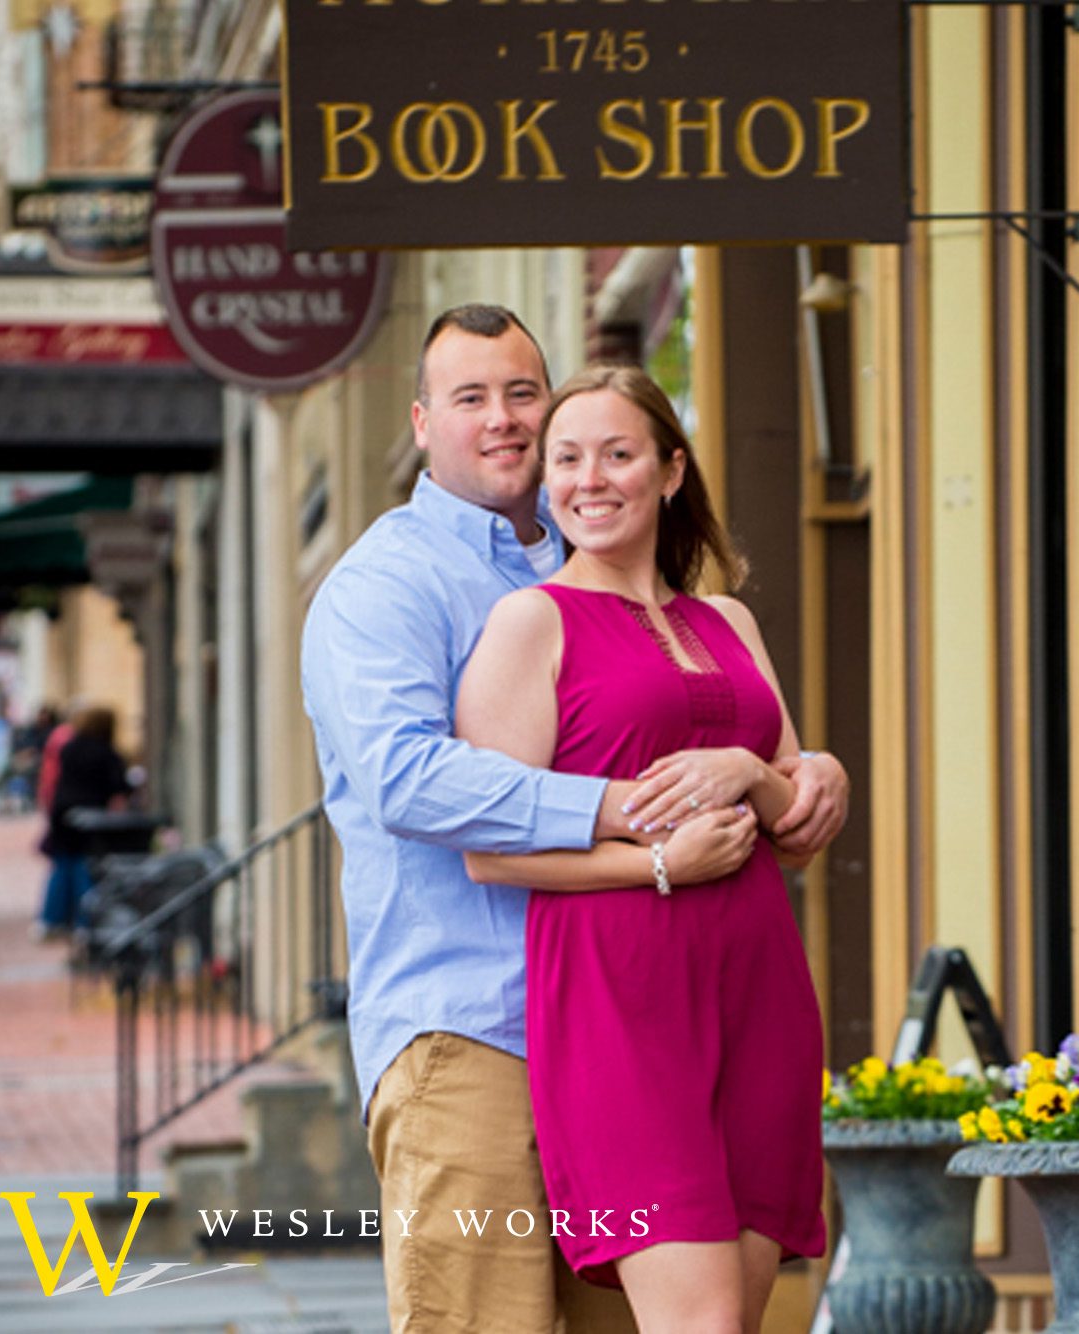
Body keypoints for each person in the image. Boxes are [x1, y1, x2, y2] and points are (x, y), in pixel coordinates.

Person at [299, 305, 847, 1334]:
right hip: (475, 1034)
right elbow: (406, 779)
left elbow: (739, 740)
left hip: (642, 1023)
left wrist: (802, 772)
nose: (502, 419)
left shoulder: (616, 566)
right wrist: (640, 817)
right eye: (471, 397)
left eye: (522, 393)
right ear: (422, 421)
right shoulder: (383, 585)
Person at [455, 363, 827, 1331]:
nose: (590, 479)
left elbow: (792, 827)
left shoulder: (728, 620)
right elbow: (488, 850)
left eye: (618, 454)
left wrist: (754, 771)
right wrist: (661, 863)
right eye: (567, 458)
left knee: (737, 1323)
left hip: (758, 991)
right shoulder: (529, 621)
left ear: (669, 470)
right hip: (619, 1001)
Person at [38, 705, 131, 935]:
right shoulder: (106, 752)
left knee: (61, 866)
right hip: (90, 817)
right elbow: (119, 787)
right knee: (84, 867)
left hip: (63, 813)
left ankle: (51, 919)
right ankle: (85, 921)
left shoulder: (70, 748)